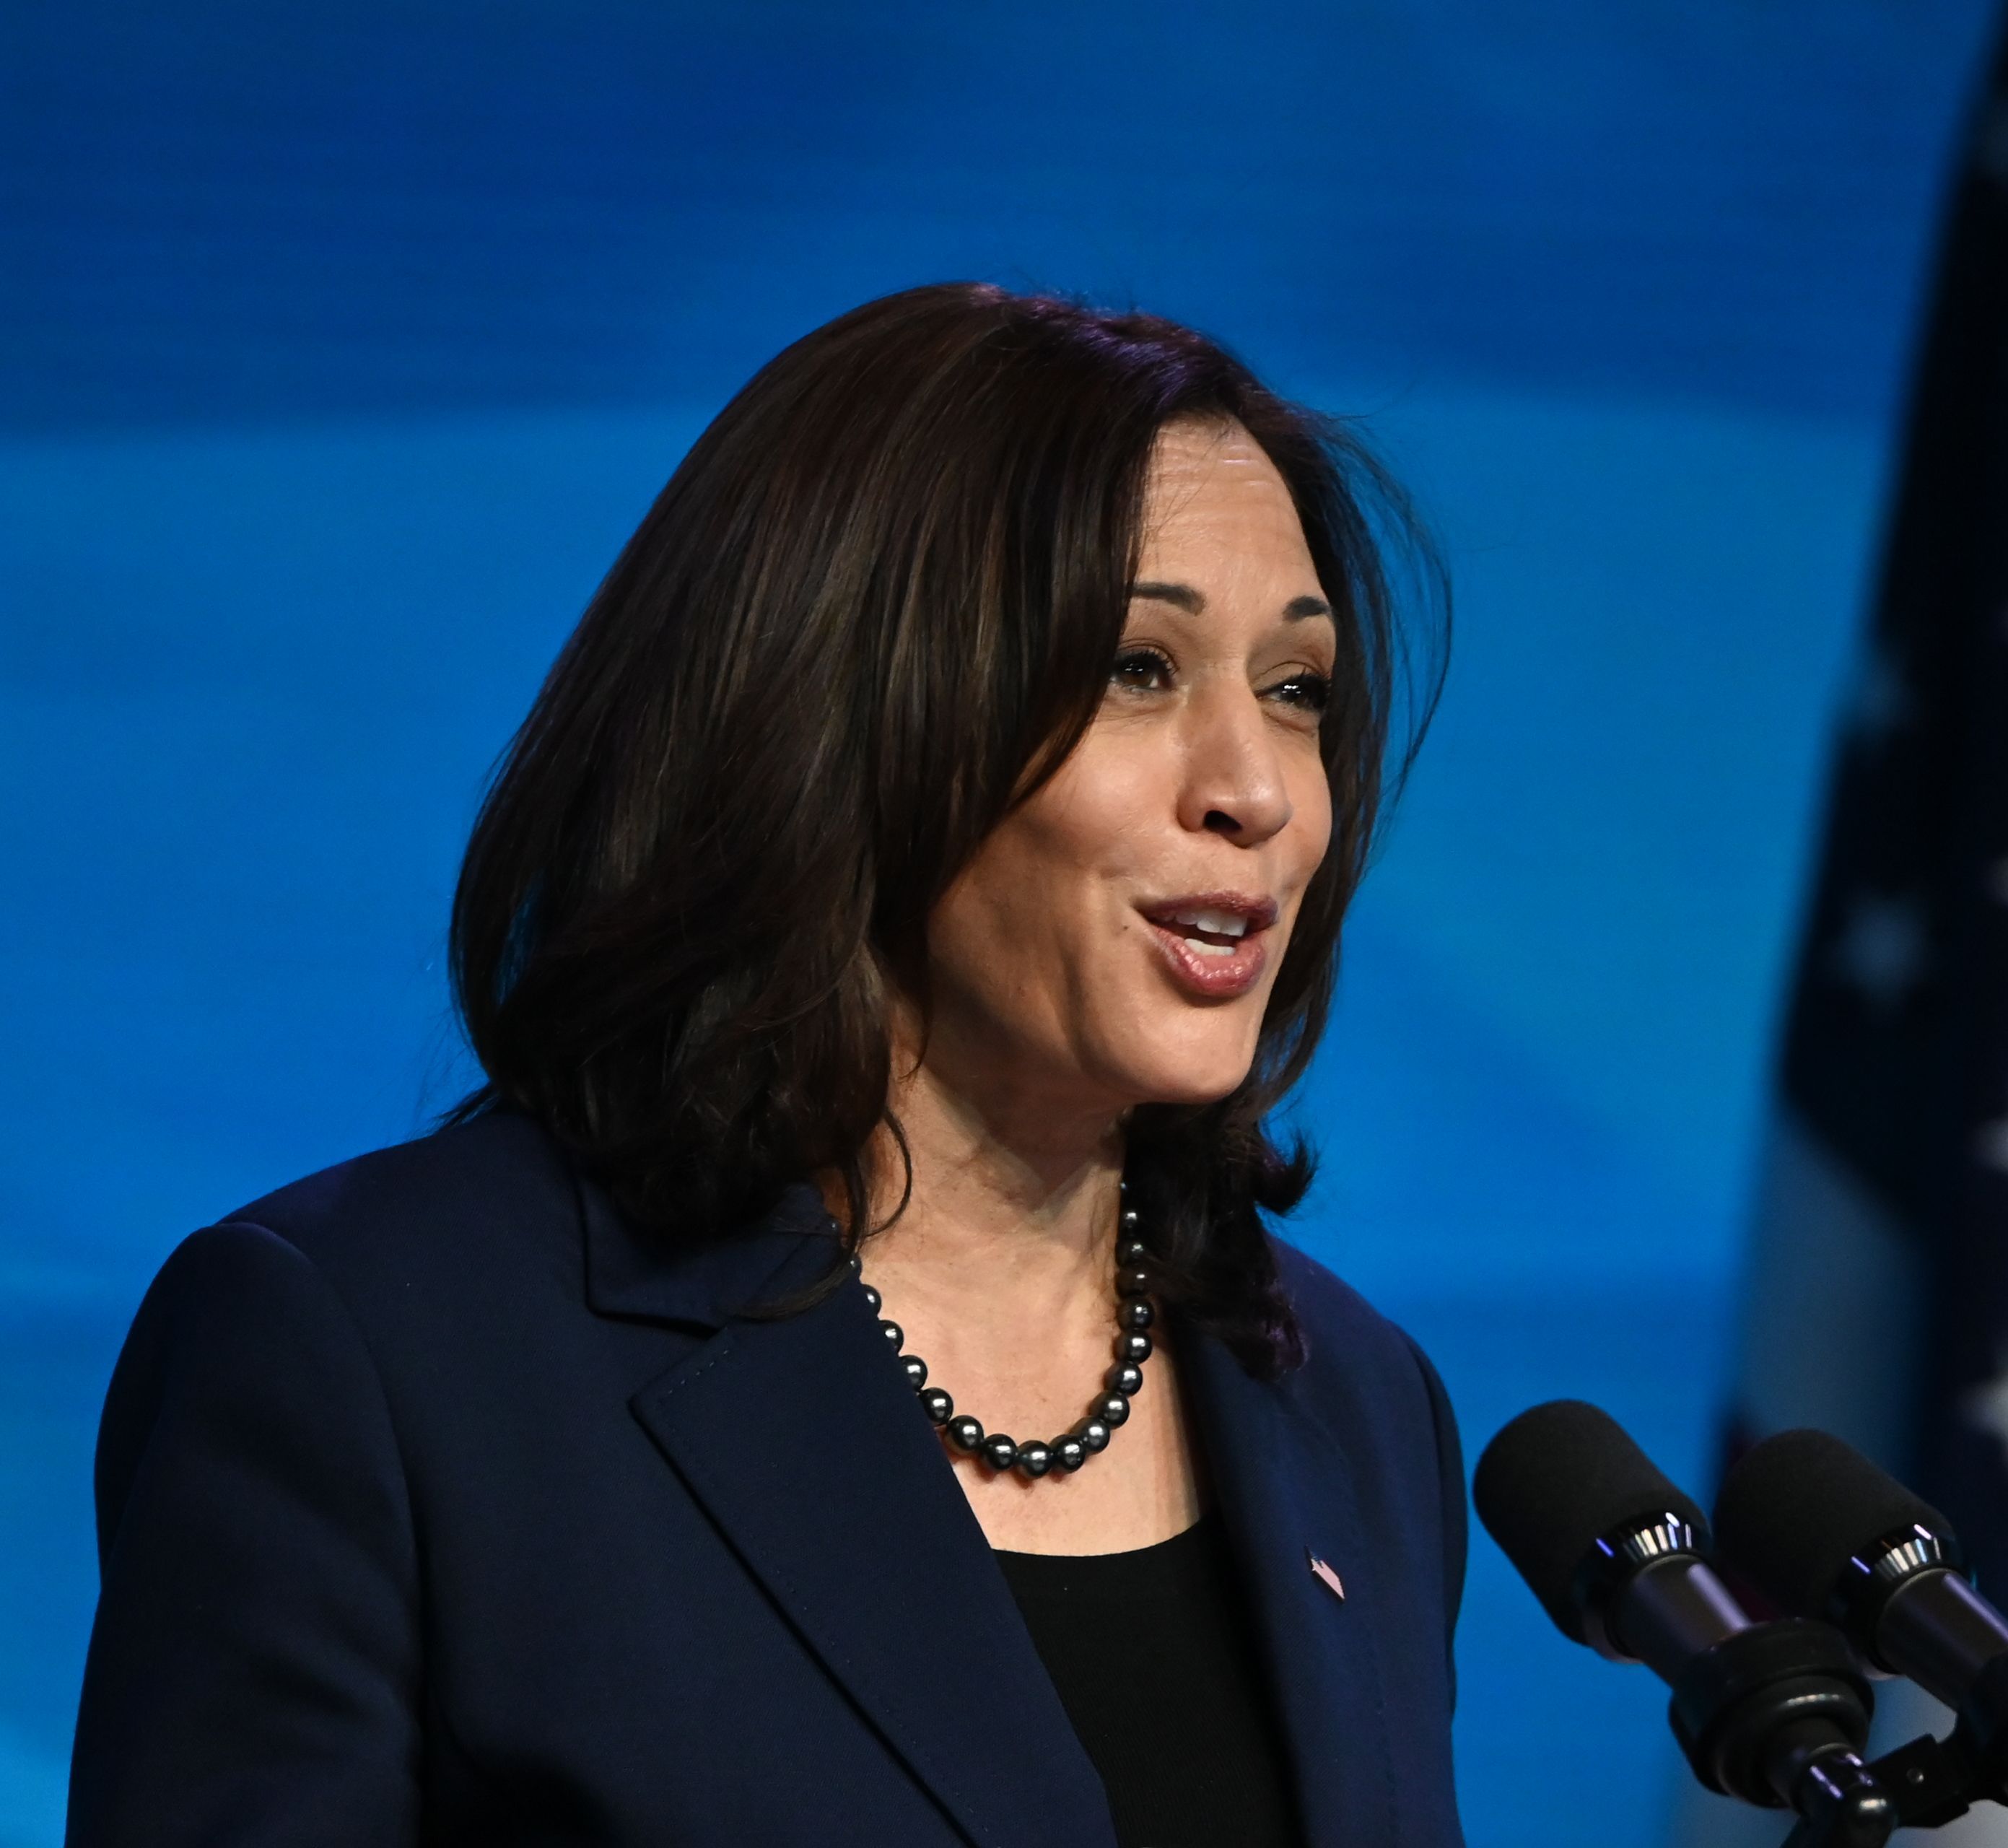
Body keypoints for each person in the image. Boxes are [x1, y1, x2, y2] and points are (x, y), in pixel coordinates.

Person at [67, 284, 1464, 1848]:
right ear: (847, 709)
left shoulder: (1354, 1399)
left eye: (1296, 691)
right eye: (1139, 667)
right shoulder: (380, 1358)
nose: (1258, 789)